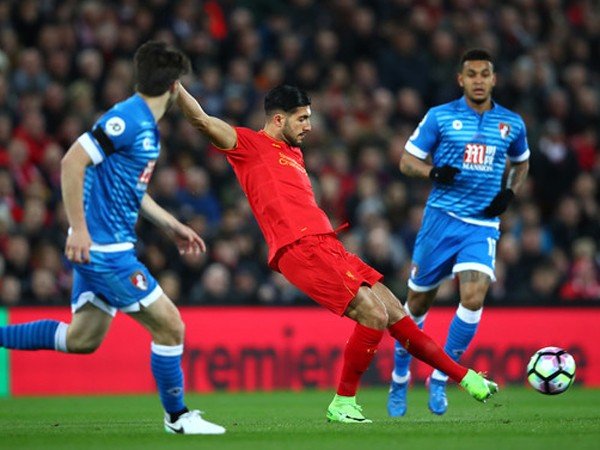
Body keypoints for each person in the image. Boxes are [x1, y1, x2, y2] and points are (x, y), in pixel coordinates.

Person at [176, 82, 498, 424]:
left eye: (309, 118)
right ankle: (343, 402)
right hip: (299, 248)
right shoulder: (249, 145)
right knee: (372, 315)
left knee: (395, 314)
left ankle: (465, 378)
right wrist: (174, 83)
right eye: (301, 119)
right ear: (278, 119)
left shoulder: (294, 154)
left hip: (328, 245)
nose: (309, 126)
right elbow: (201, 119)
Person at [0, 41, 225, 435]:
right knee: (171, 327)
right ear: (174, 87)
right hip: (105, 251)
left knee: (81, 339)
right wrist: (81, 229)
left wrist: (171, 224)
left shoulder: (144, 127)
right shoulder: (127, 120)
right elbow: (72, 160)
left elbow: (130, 191)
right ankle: (177, 417)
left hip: (106, 246)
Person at [387, 48, 530, 416]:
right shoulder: (440, 117)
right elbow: (407, 161)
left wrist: (510, 192)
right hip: (440, 220)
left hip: (482, 224)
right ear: (461, 80)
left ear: (494, 79)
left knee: (474, 296)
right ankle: (400, 376)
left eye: (485, 74)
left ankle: (440, 377)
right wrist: (431, 173)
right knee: (416, 306)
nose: (479, 80)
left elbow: (522, 162)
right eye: (472, 74)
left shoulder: (511, 124)